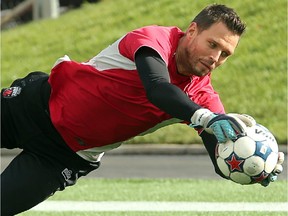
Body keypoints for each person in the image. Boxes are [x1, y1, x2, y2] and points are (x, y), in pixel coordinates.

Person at [1, 4, 284, 215]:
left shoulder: (204, 98)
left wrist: (254, 164)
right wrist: (204, 116)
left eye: (225, 54)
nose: (215, 58)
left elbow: (219, 159)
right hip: (33, 107)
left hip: (65, 156)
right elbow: (158, 87)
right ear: (193, 30)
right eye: (213, 45)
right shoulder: (155, 39)